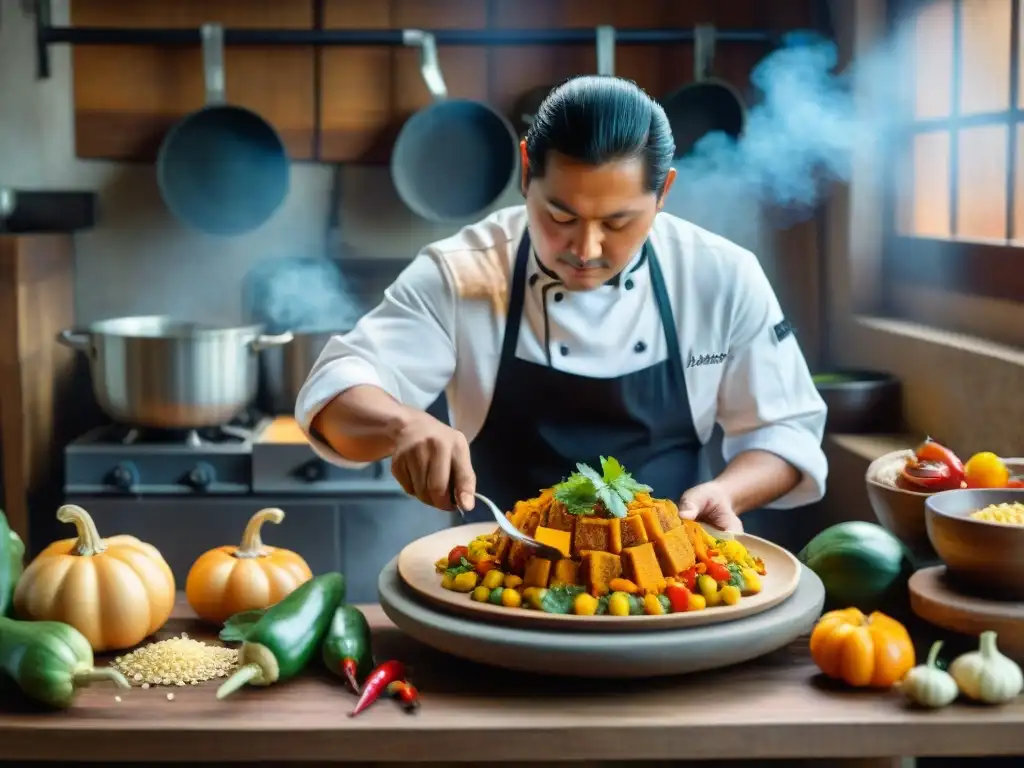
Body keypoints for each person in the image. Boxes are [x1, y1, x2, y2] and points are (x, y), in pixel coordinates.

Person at [295, 74, 827, 533]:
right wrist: (402, 425)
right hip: (502, 596)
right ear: (527, 170)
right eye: (561, 216)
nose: (585, 250)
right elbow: (336, 386)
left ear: (663, 192)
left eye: (618, 222)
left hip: (668, 597)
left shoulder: (720, 275)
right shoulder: (466, 270)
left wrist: (729, 492)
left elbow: (784, 432)